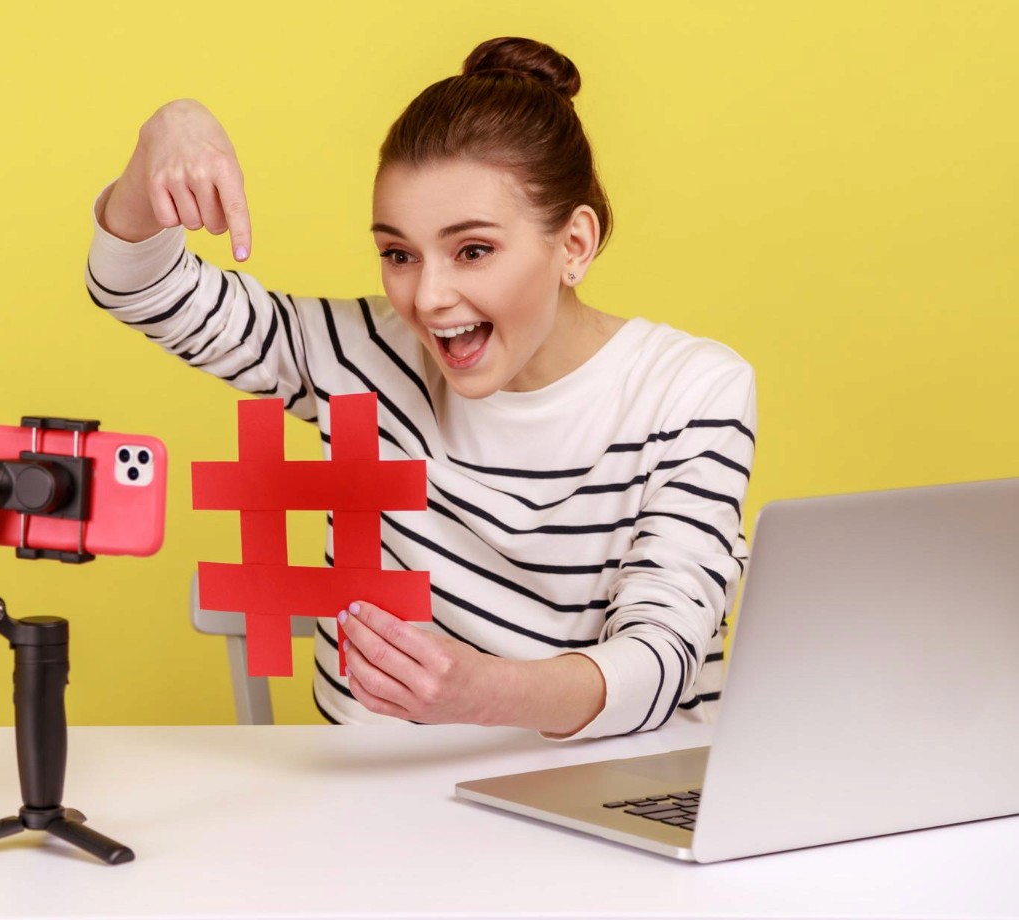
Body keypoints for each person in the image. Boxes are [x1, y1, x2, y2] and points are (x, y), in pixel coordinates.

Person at [85, 37, 757, 739]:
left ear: (575, 245)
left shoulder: (691, 390)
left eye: (473, 250)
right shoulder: (363, 354)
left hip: (605, 793)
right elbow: (139, 287)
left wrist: (481, 692)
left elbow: (663, 652)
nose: (430, 297)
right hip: (380, 808)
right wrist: (165, 131)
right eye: (398, 254)